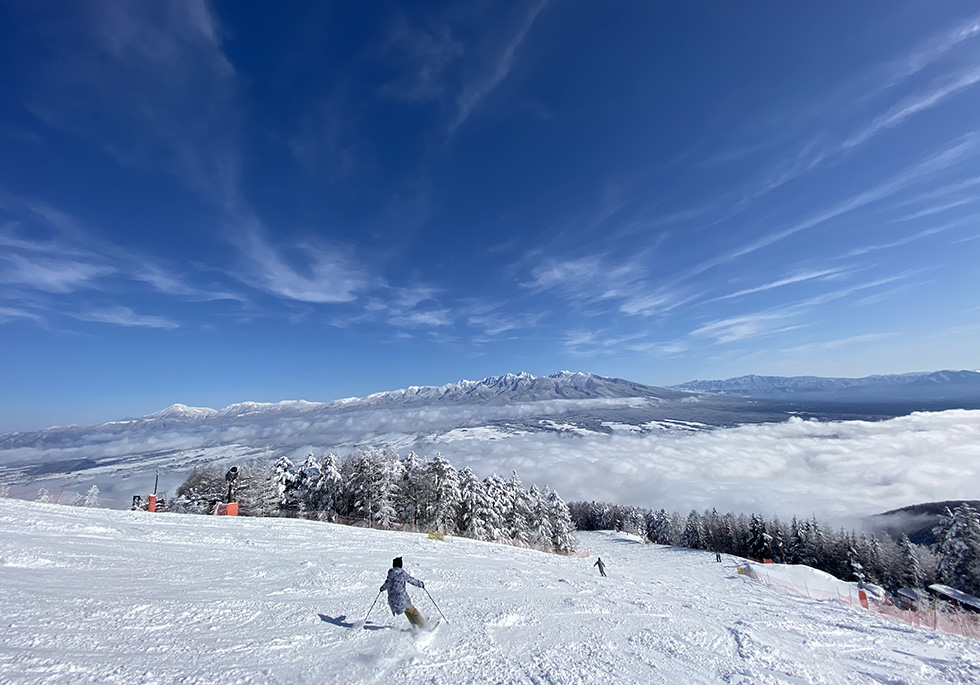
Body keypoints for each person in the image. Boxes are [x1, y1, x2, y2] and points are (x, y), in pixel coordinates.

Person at [380, 556, 429, 630]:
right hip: (402, 599)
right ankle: (424, 627)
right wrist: (421, 584)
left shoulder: (391, 574)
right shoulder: (402, 573)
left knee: (408, 611)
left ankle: (416, 627)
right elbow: (411, 580)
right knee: (413, 611)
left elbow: (387, 584)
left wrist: (382, 588)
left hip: (392, 600)